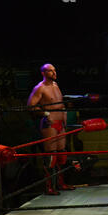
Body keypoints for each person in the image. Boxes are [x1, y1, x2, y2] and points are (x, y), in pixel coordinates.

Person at [27, 63, 75, 195]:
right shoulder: (39, 88)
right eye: (50, 71)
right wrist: (45, 114)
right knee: (51, 156)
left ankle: (61, 184)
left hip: (61, 122)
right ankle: (49, 187)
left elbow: (60, 103)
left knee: (61, 154)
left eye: (55, 70)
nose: (54, 73)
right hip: (50, 123)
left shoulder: (56, 85)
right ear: (43, 73)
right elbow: (31, 106)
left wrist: (64, 115)